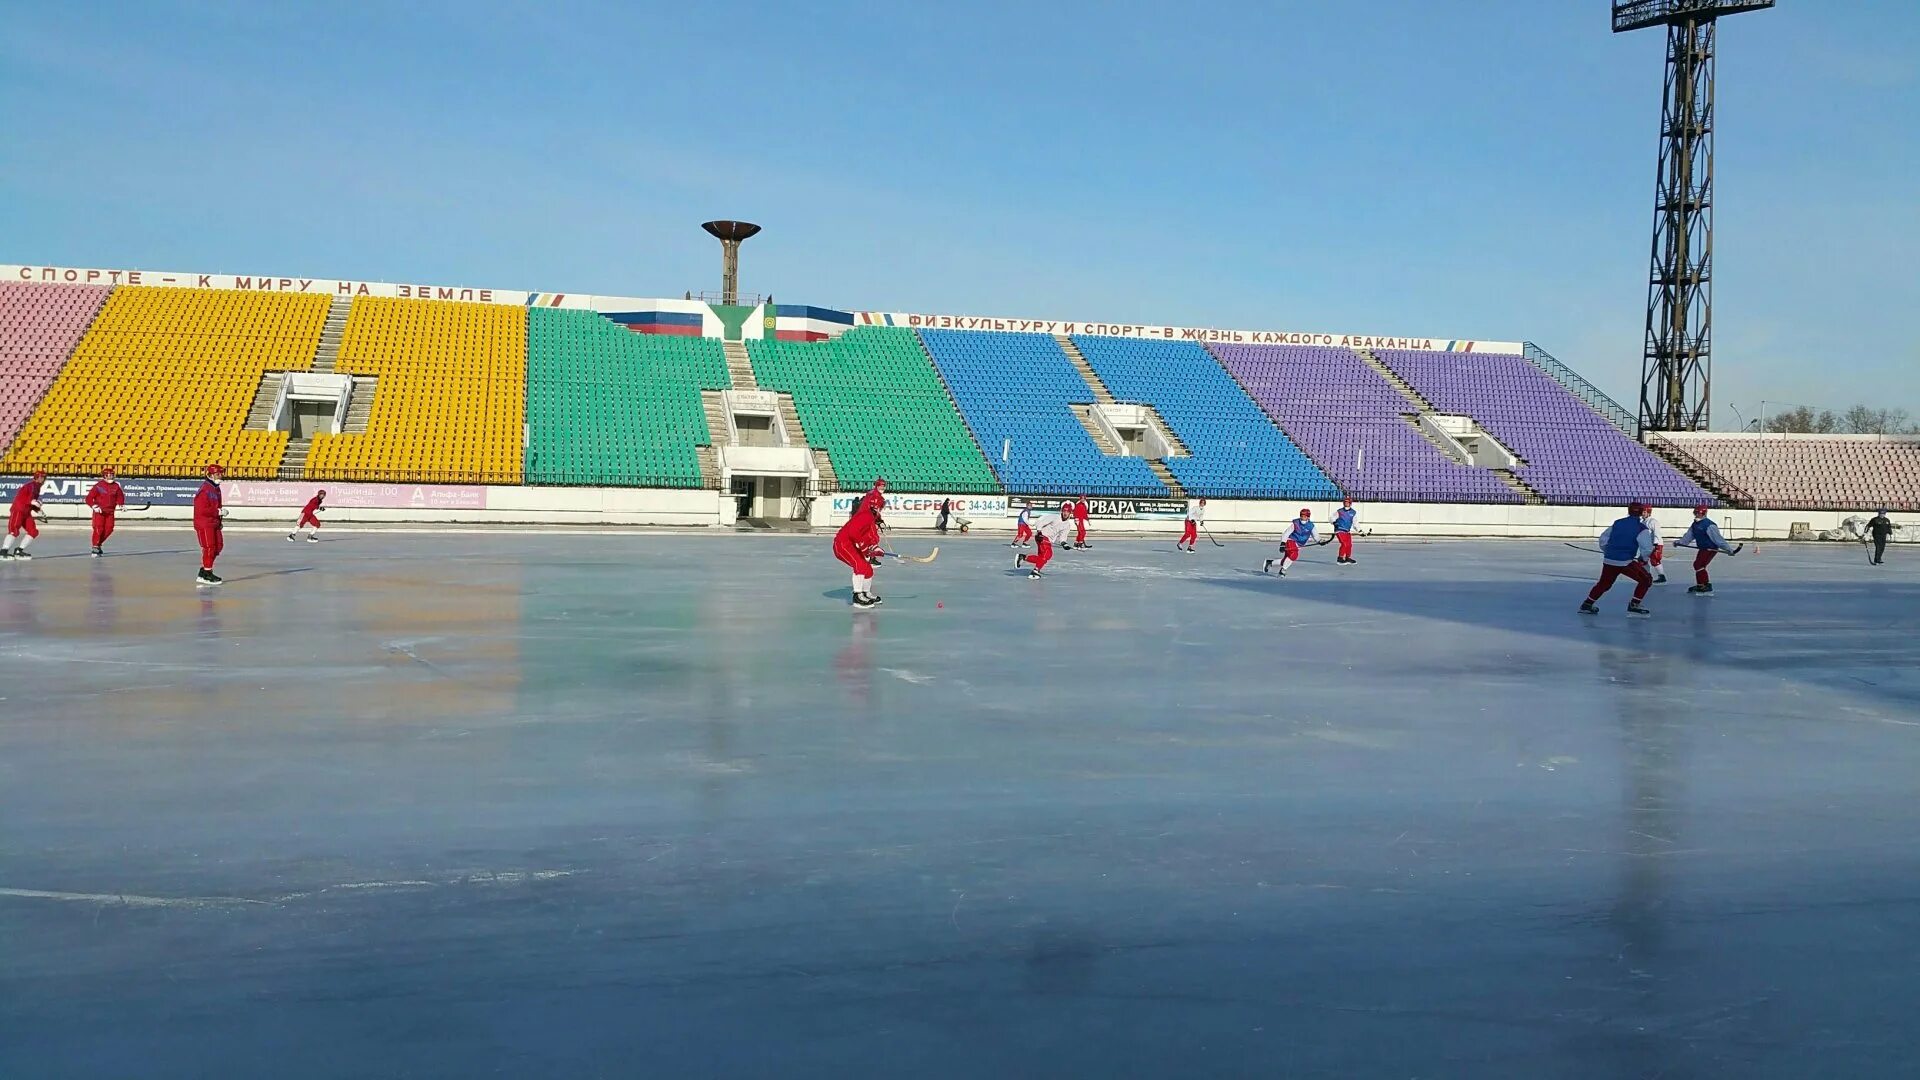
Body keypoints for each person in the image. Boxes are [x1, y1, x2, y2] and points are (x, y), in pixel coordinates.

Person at [1580, 502, 1655, 617]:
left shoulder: (1617, 523)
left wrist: (1608, 551)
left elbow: (1603, 539)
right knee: (1646, 580)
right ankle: (1634, 605)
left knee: (1604, 584)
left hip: (1609, 560)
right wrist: (1643, 559)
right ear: (1641, 512)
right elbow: (1647, 548)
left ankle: (1587, 604)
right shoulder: (1641, 528)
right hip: (1625, 562)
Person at [1673, 504, 1736, 594]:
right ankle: (1701, 584)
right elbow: (1688, 536)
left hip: (1710, 548)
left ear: (1703, 513)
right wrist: (1680, 542)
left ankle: (1705, 585)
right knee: (1698, 565)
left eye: (1698, 513)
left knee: (1699, 565)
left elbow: (1718, 539)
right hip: (1703, 548)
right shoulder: (1695, 524)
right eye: (1695, 513)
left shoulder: (1709, 525)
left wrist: (1728, 549)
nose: (1696, 515)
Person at [833, 502, 885, 607]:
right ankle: (857, 596)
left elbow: (869, 539)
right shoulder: (866, 516)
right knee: (860, 565)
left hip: (852, 545)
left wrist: (875, 548)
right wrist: (864, 547)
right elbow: (853, 532)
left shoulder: (872, 520)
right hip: (843, 545)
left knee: (868, 569)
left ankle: (866, 593)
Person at [2, 470, 48, 561]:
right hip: (18, 510)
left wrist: (38, 510)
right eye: (42, 477)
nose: (44, 479)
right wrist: (33, 502)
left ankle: (19, 551)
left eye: (44, 477)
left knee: (33, 531)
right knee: (14, 530)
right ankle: (3, 551)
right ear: (37, 477)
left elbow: (32, 502)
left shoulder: (37, 488)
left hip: (26, 513)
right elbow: (23, 498)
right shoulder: (30, 486)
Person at [1018, 506, 1075, 578]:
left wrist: (1064, 543)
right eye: (1064, 511)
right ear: (1062, 511)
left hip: (1049, 540)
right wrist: (1039, 532)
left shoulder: (1067, 525)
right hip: (1042, 536)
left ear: (1070, 513)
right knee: (1048, 554)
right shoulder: (1054, 517)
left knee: (1042, 558)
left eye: (1067, 512)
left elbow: (1063, 537)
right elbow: (1041, 523)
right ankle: (1035, 571)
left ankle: (1023, 557)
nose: (1065, 513)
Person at [194, 464, 226, 586]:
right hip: (204, 522)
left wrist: (220, 520)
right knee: (209, 547)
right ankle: (207, 573)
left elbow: (218, 505)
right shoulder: (205, 490)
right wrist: (217, 512)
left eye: (221, 473)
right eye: (218, 474)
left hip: (214, 522)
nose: (220, 476)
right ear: (210, 475)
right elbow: (202, 510)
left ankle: (205, 569)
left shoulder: (216, 488)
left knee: (218, 546)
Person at [85, 467, 126, 557]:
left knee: (109, 529)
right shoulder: (98, 486)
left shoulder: (116, 486)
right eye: (109, 476)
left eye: (112, 475)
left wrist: (121, 504)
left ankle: (98, 545)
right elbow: (88, 498)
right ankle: (95, 546)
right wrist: (94, 506)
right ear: (104, 476)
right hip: (99, 511)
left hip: (110, 512)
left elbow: (120, 496)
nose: (111, 477)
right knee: (99, 529)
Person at [1264, 508, 1316, 577]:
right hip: (1290, 541)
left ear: (1308, 517)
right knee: (1294, 555)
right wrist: (1283, 543)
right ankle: (1283, 571)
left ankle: (1270, 562)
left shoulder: (1311, 526)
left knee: (1286, 561)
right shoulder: (1296, 524)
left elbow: (1316, 536)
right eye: (1301, 516)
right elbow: (1286, 533)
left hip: (1298, 545)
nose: (1302, 518)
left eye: (1304, 516)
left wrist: (1320, 541)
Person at [1643, 505, 1667, 584]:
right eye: (1642, 512)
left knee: (1654, 560)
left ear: (1649, 513)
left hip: (1656, 544)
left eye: (1644, 512)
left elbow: (1657, 533)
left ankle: (1662, 576)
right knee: (1643, 560)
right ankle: (1646, 576)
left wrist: (1655, 544)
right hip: (1647, 545)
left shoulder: (1653, 521)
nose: (1642, 513)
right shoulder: (1642, 522)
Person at [1334, 497, 1358, 565]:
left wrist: (1360, 531)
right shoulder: (1339, 511)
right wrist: (1334, 522)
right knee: (1344, 543)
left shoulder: (1353, 512)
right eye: (1345, 502)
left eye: (1347, 502)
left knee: (1349, 545)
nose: (1346, 503)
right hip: (1340, 530)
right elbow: (1332, 518)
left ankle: (1348, 557)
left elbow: (1355, 523)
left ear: (1350, 503)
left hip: (1347, 531)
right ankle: (1340, 558)